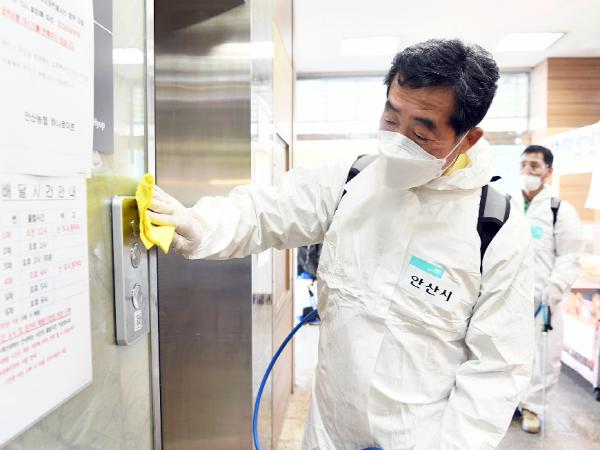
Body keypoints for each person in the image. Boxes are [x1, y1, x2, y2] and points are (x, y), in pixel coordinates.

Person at [147, 39, 534, 449]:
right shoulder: (353, 181)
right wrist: (200, 224)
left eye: (421, 134)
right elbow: (266, 210)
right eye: (391, 119)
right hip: (327, 433)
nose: (398, 142)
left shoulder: (495, 229)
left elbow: (497, 371)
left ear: (468, 139)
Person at [515, 145, 582, 434]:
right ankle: (511, 402)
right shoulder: (509, 203)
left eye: (534, 166)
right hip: (510, 295)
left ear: (548, 171)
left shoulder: (559, 210)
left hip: (545, 298)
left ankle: (533, 407)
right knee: (508, 352)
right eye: (523, 165)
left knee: (544, 355)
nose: (527, 171)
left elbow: (570, 255)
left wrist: (556, 285)